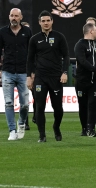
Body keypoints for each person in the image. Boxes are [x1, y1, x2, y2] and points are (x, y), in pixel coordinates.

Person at [26, 10, 70, 142]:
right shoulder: (34, 39)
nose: (46, 23)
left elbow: (66, 56)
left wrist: (65, 72)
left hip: (56, 77)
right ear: (39, 22)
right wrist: (29, 76)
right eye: (43, 21)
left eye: (48, 20)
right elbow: (30, 59)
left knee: (58, 108)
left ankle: (56, 127)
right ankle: (42, 135)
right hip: (40, 77)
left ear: (52, 21)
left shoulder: (59, 37)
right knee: (39, 106)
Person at [0, 8, 32, 140]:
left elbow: (31, 53)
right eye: (12, 15)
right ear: (9, 17)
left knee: (24, 104)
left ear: (21, 17)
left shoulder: (27, 32)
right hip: (8, 71)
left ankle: (21, 124)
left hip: (24, 72)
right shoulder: (2, 32)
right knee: (8, 103)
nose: (14, 18)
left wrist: (32, 72)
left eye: (16, 16)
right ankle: (12, 130)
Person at [74, 23, 96, 137]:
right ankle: (84, 128)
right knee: (83, 105)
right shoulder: (79, 45)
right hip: (82, 81)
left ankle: (91, 129)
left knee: (93, 105)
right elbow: (82, 61)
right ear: (91, 31)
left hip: (95, 81)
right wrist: (95, 70)